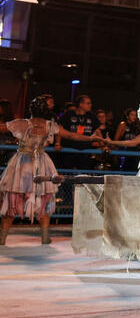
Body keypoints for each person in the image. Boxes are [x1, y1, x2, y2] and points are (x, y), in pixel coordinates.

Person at [1, 95, 107, 245]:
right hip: (41, 164)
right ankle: (45, 237)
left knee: (13, 199)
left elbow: (2, 127)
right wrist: (92, 138)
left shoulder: (21, 124)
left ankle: (2, 238)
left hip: (22, 164)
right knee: (43, 198)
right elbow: (72, 135)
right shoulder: (49, 125)